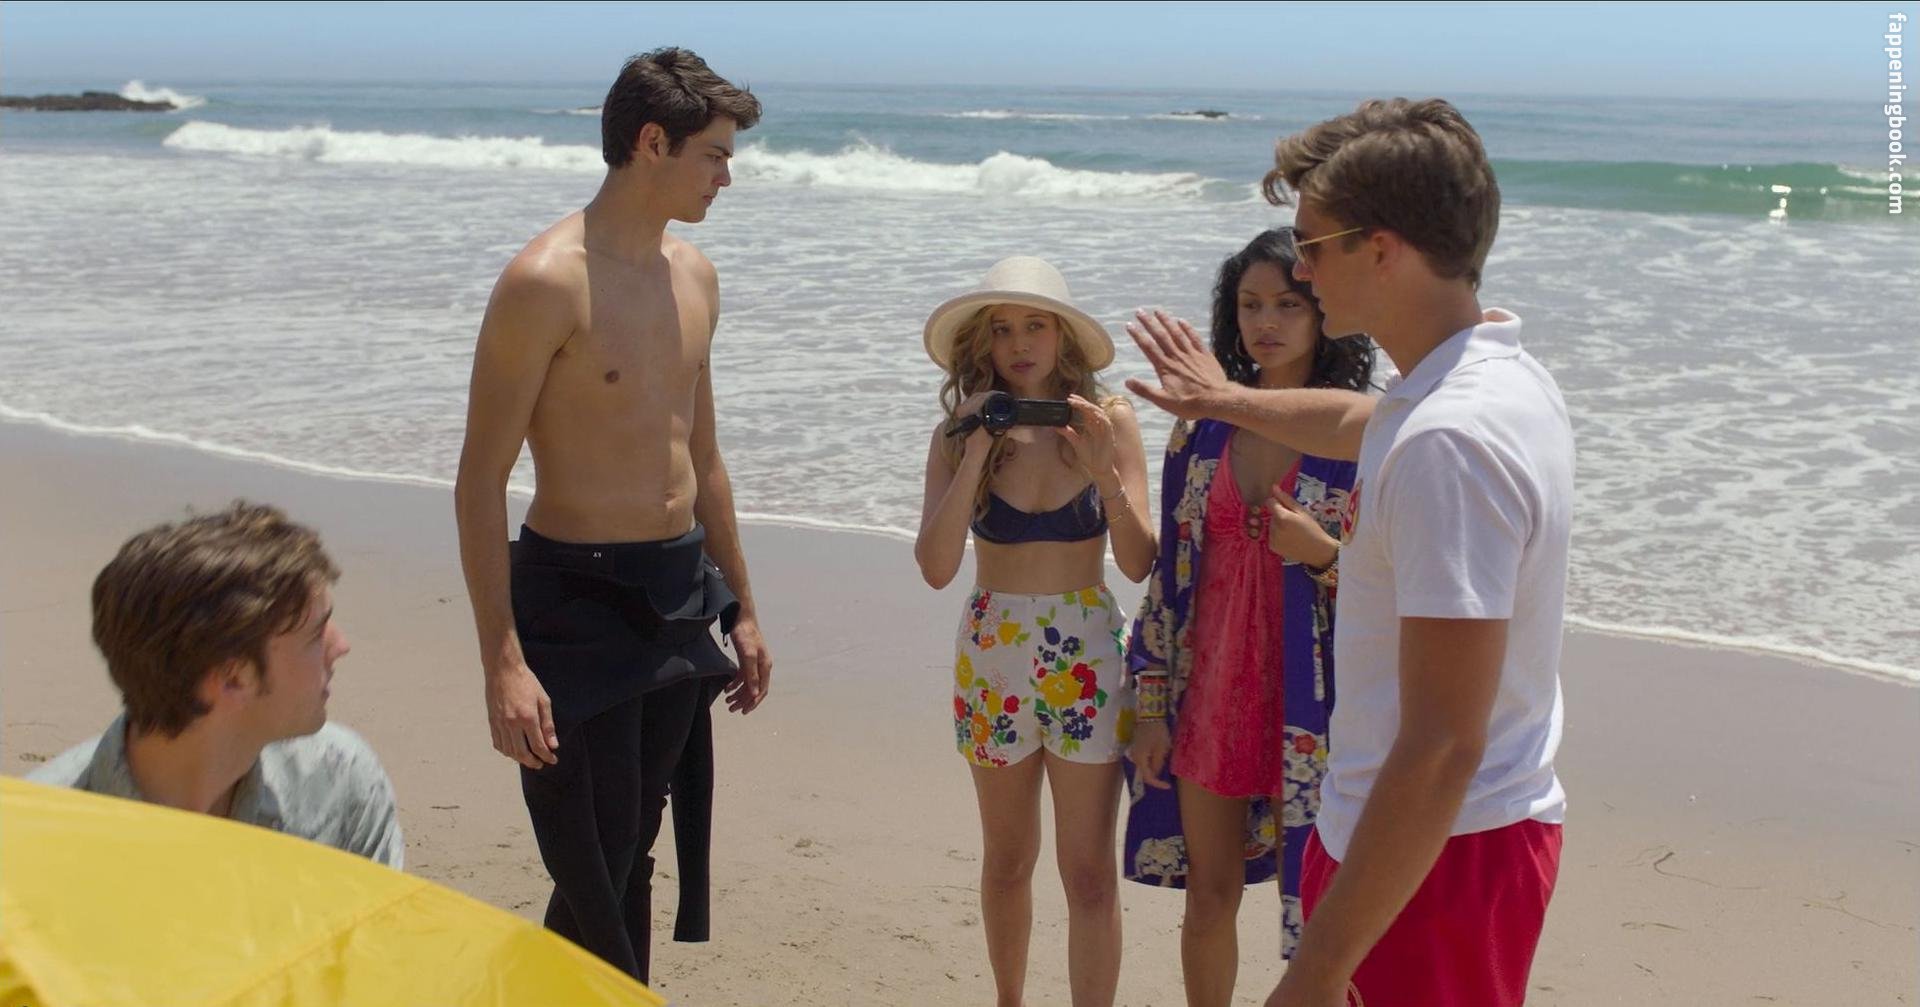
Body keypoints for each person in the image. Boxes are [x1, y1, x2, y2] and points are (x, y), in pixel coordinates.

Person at [1125, 97, 1573, 1007]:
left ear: (1383, 248)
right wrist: (1222, 401)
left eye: (1313, 245)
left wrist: (1316, 970)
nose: (1300, 268)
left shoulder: (1451, 441)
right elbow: (1356, 419)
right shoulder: (1477, 376)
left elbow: (1444, 744)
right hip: (1419, 838)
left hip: (1435, 854)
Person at [452, 47, 770, 982]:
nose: (726, 177)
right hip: (573, 603)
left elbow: (703, 458)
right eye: (714, 155)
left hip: (674, 595)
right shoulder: (546, 282)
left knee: (628, 851)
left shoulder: (696, 277)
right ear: (652, 142)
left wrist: (745, 606)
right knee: (592, 862)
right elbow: (479, 479)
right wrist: (502, 661)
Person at [1122, 228, 1371, 1006]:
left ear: (1324, 310)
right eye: (1250, 304)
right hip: (1213, 691)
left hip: (1319, 704)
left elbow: (1400, 594)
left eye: (1288, 304)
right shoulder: (1200, 431)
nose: (1266, 322)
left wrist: (1321, 552)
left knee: (1327, 913)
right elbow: (1170, 579)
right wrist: (1151, 703)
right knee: (1210, 895)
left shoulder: (1361, 434)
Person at [915, 256, 1154, 1007]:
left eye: (1036, 325)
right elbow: (935, 565)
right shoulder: (956, 434)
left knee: (1088, 872)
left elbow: (1140, 560)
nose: (1019, 343)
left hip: (1086, 651)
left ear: (1063, 335)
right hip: (994, 652)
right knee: (1007, 860)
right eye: (1002, 329)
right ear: (982, 343)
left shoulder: (1107, 420)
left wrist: (1102, 472)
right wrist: (976, 450)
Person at [31, 501, 402, 868]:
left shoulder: (341, 782)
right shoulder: (32, 841)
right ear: (233, 678)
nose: (341, 646)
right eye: (317, 632)